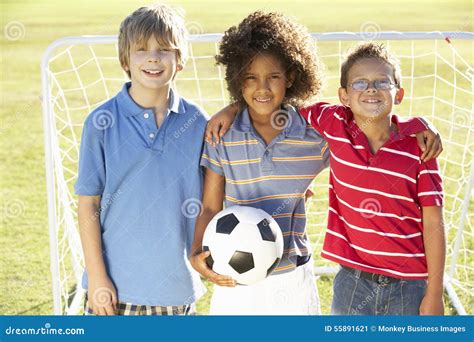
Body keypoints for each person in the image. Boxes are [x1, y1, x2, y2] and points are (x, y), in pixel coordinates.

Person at [207, 42, 445, 315]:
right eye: (359, 83)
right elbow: (274, 96)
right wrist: (234, 107)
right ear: (343, 96)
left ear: (399, 93)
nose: (370, 89)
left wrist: (435, 292)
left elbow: (434, 222)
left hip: (409, 283)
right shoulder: (333, 124)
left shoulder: (420, 149)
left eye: (381, 82)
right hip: (353, 281)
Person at [189, 11, 329, 315]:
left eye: (273, 77)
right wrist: (196, 251)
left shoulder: (313, 136)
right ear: (238, 81)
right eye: (250, 78)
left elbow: (358, 151)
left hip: (292, 276)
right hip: (232, 278)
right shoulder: (222, 135)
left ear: (291, 77)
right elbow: (211, 207)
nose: (262, 88)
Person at [75, 4, 207, 315]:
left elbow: (216, 192)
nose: (153, 58)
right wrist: (96, 277)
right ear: (125, 60)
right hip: (113, 290)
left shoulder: (198, 123)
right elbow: (88, 205)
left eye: (164, 50)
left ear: (180, 60)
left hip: (174, 291)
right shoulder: (100, 122)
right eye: (141, 49)